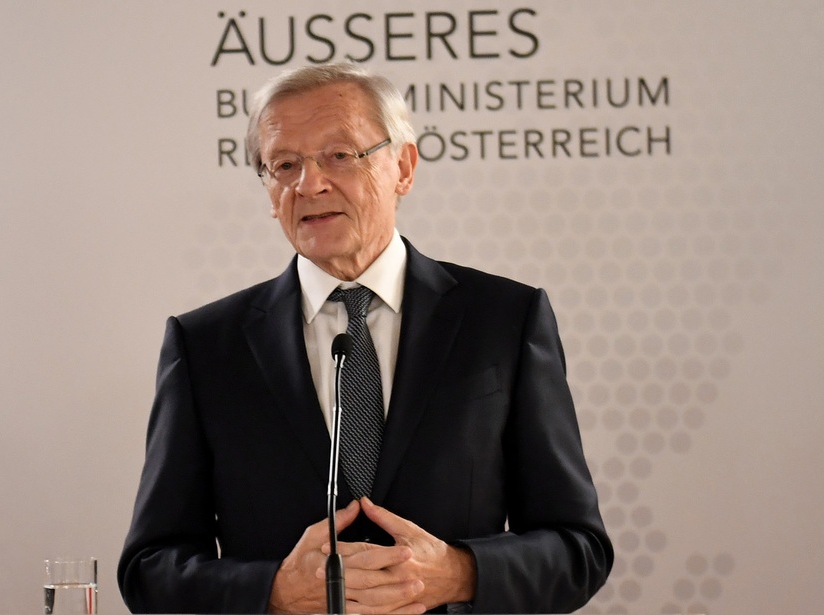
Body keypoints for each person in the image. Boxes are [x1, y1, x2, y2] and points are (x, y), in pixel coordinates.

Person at [117, 62, 613, 614]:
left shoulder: (503, 321)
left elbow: (579, 549)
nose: (309, 184)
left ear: (403, 167)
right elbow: (150, 570)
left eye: (340, 155)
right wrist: (274, 591)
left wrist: (459, 573)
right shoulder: (207, 346)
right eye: (285, 165)